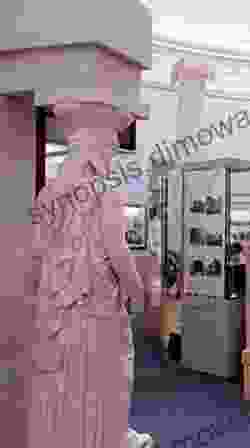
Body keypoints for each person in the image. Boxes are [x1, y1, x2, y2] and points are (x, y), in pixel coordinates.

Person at [28, 128, 158, 448]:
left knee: (64, 381)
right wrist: (137, 293)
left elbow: (36, 249)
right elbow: (117, 249)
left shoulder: (50, 194)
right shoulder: (106, 190)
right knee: (105, 380)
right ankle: (107, 438)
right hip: (98, 305)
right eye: (109, 151)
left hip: (59, 307)